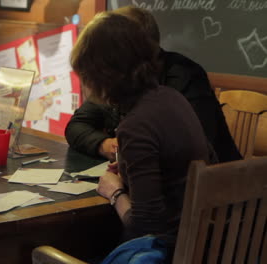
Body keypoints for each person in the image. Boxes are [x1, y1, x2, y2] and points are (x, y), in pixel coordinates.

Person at [69, 11, 212, 261]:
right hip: (202, 244)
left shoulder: (135, 125)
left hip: (168, 252)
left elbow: (145, 227)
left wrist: (115, 192)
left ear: (101, 74)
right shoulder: (171, 97)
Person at [65, 6, 241, 163]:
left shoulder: (182, 77)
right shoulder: (117, 82)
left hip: (217, 187)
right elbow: (75, 126)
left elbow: (193, 148)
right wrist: (105, 145)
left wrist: (117, 190)